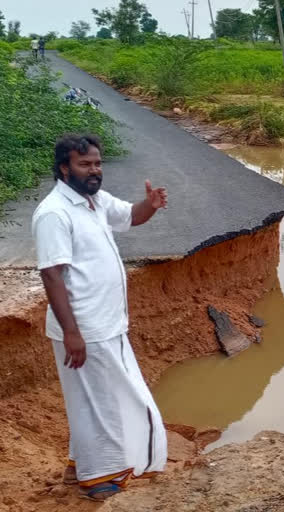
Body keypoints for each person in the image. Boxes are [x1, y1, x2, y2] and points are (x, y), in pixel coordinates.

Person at [32, 134, 169, 501]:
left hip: (107, 326)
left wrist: (151, 205)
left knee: (89, 400)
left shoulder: (93, 201)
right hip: (85, 330)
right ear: (64, 168)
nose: (94, 171)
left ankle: (80, 467)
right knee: (111, 402)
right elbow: (51, 274)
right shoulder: (54, 213)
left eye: (97, 163)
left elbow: (131, 216)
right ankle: (102, 479)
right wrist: (72, 332)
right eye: (84, 164)